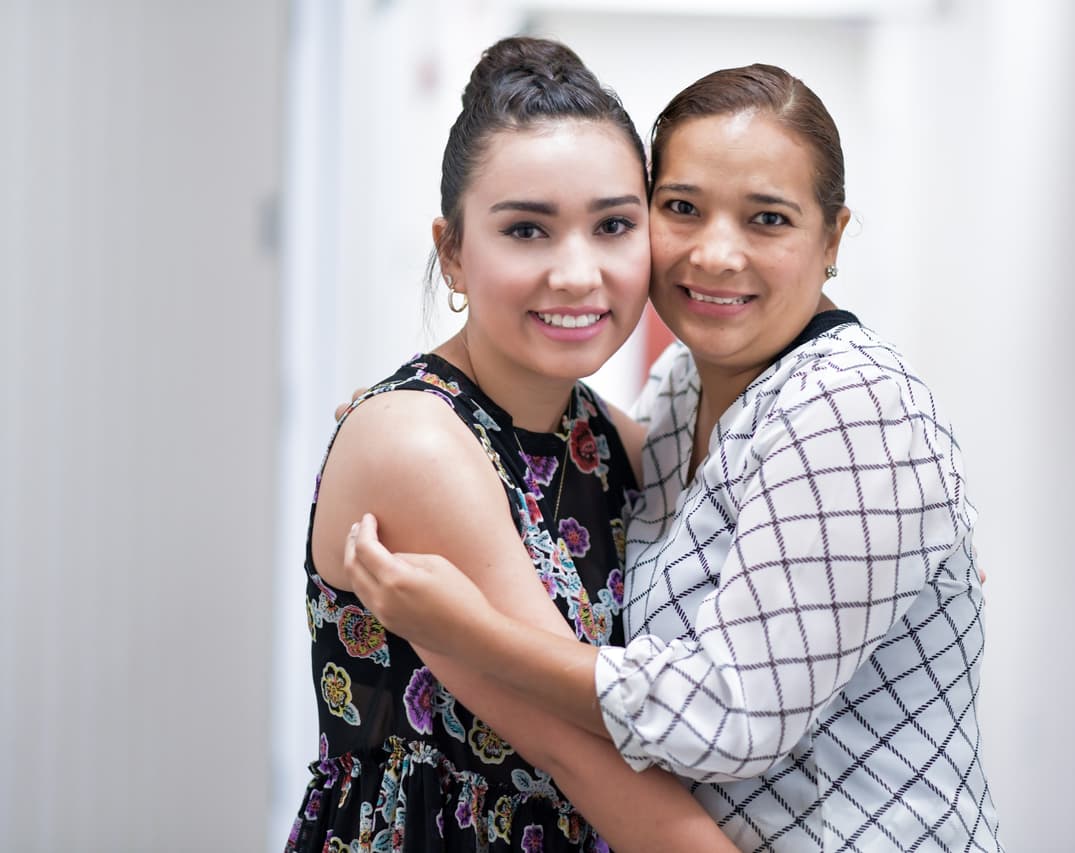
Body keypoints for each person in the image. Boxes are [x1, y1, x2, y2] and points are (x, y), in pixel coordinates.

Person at [347, 63, 1002, 852]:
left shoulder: (850, 403)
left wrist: (475, 634)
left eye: (768, 219)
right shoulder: (680, 392)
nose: (716, 254)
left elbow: (727, 715)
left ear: (831, 238)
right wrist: (404, 419)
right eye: (683, 208)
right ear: (451, 251)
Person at [285, 36, 739, 852]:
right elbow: (578, 750)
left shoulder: (610, 438)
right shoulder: (413, 443)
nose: (577, 273)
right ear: (453, 253)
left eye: (613, 225)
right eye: (528, 230)